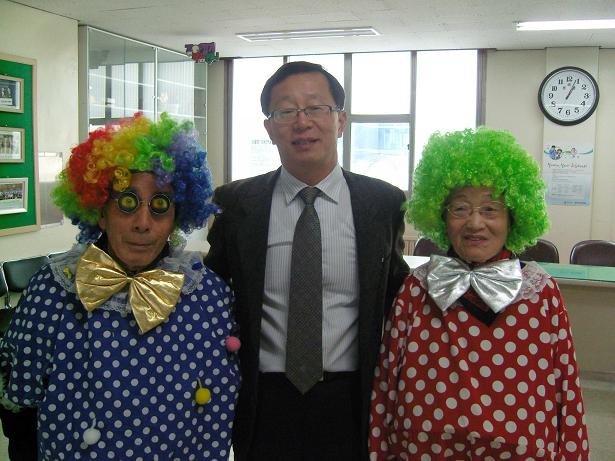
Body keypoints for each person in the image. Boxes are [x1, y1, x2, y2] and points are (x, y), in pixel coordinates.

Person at [0, 113, 241, 461]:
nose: (143, 223)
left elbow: (222, 404)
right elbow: (20, 412)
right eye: (127, 203)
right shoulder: (53, 292)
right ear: (101, 212)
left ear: (176, 216)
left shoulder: (206, 295)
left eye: (160, 206)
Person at [204, 61, 409, 461]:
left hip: (352, 400)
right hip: (264, 400)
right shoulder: (237, 203)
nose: (302, 122)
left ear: (340, 121)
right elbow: (213, 293)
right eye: (286, 111)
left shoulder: (382, 203)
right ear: (269, 128)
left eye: (315, 107)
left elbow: (395, 292)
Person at [369, 127, 590, 460]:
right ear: (441, 216)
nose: (474, 223)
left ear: (513, 216)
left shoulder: (540, 292)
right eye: (460, 208)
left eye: (490, 209)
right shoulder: (416, 289)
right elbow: (385, 384)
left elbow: (567, 390)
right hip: (425, 450)